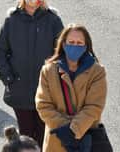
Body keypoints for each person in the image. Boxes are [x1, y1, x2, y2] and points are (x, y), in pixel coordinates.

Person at [0, 0, 64, 146]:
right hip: (20, 88)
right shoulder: (11, 21)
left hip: (46, 89)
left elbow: (63, 52)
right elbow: (0, 51)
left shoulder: (53, 20)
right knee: (26, 136)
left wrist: (58, 79)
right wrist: (8, 78)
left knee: (43, 135)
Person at [35, 24, 108, 152]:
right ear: (63, 44)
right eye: (71, 42)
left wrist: (73, 130)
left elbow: (94, 106)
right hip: (56, 140)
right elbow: (43, 104)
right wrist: (64, 129)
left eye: (79, 43)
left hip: (86, 138)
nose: (75, 46)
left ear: (86, 47)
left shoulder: (97, 72)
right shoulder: (48, 71)